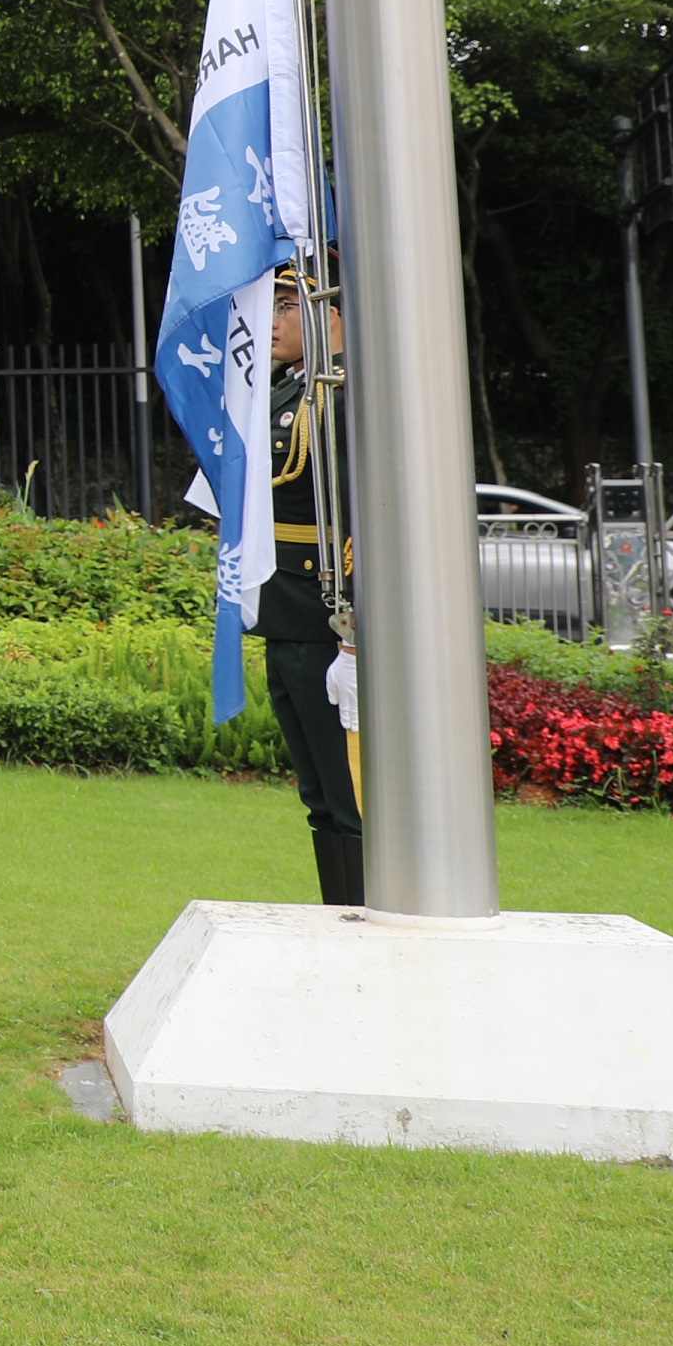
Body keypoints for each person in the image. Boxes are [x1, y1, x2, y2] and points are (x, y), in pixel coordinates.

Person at [256, 266, 363, 907]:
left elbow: (367, 520)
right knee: (319, 793)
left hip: (328, 616)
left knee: (351, 795)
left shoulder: (348, 397)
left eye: (287, 306)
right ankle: (341, 917)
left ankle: (368, 918)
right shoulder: (288, 390)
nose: (272, 321)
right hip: (285, 611)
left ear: (331, 313)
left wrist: (355, 636)